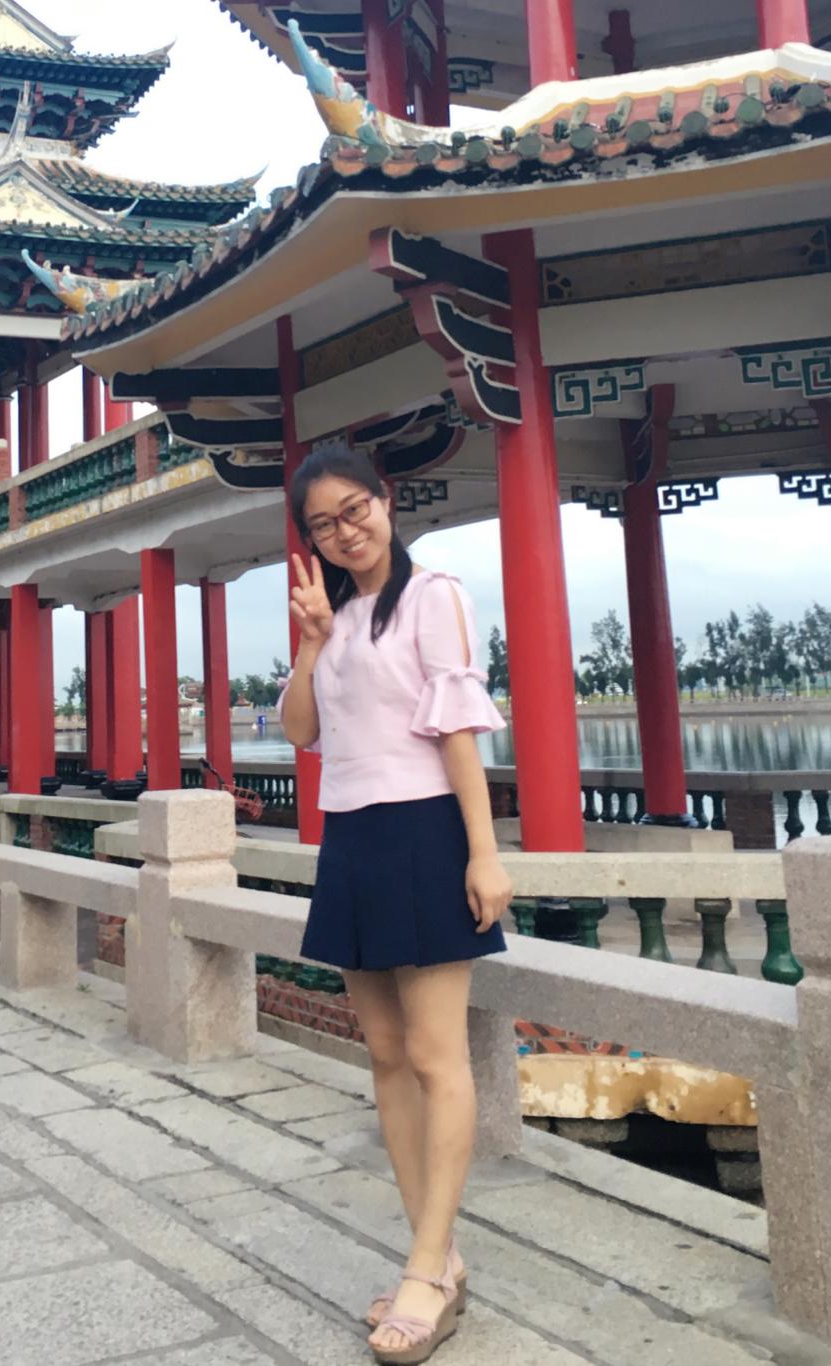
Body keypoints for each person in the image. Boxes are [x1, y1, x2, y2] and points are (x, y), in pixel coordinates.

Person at [278, 442, 513, 1364]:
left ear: (386, 500)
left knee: (433, 1054)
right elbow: (303, 731)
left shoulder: (433, 595)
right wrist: (310, 643)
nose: (345, 533)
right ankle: (436, 1255)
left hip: (424, 831)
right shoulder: (334, 615)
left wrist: (483, 853)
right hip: (352, 835)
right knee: (383, 1054)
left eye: (355, 510)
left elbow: (457, 734)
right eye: (323, 526)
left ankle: (424, 1268)